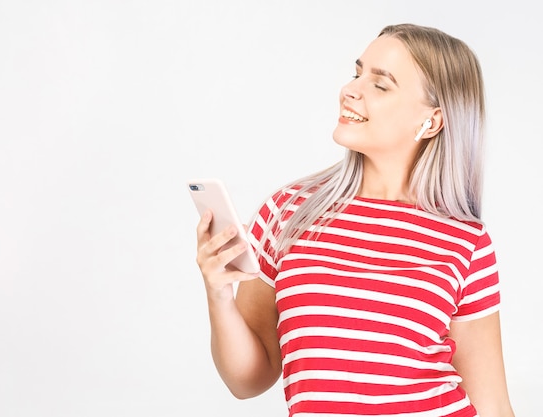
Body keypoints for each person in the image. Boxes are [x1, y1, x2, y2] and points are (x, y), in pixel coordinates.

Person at [194, 23, 515, 417]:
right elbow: (247, 381)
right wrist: (219, 295)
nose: (351, 89)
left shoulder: (465, 241)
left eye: (381, 85)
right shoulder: (287, 213)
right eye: (357, 72)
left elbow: (493, 403)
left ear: (431, 122)